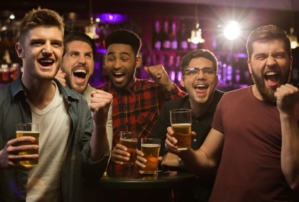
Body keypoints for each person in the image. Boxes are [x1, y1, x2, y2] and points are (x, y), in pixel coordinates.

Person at [0, 8, 110, 202]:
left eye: (55, 44)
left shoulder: (78, 105)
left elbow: (91, 172)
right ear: (20, 50)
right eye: (38, 42)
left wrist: (100, 125)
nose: (48, 50)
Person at [165, 24, 299, 201]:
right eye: (261, 56)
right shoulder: (229, 100)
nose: (271, 62)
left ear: (290, 62)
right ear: (250, 66)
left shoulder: (295, 108)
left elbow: (295, 180)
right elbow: (206, 161)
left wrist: (287, 114)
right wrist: (183, 149)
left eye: (278, 55)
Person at [137, 49, 224, 202]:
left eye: (208, 71)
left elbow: (228, 161)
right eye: (192, 71)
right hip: (181, 196)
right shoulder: (172, 108)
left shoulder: (227, 106)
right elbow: (155, 150)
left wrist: (178, 160)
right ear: (182, 80)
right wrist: (155, 159)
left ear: (216, 79)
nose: (201, 76)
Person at [97, 29, 186, 165]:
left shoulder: (154, 90)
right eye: (111, 58)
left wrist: (168, 84)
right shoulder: (98, 96)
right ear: (105, 62)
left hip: (152, 181)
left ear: (137, 61)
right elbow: (84, 147)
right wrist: (107, 154)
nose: (116, 65)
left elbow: (187, 111)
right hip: (111, 182)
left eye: (124, 58)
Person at [56, 31, 113, 150]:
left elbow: (103, 160)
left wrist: (100, 124)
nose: (82, 61)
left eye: (88, 55)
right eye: (74, 54)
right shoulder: (44, 94)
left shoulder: (100, 102)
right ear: (60, 61)